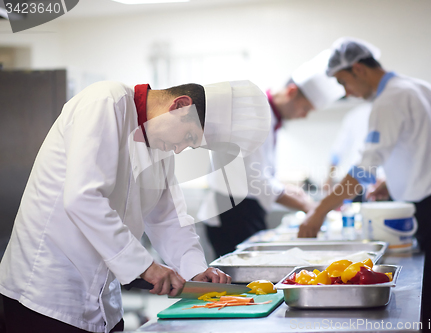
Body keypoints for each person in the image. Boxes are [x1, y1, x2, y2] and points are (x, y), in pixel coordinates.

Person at [0, 79, 271, 333]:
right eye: (189, 137)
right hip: (44, 295)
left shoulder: (161, 149)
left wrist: (195, 270)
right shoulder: (106, 103)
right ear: (179, 106)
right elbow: (83, 198)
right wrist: (147, 266)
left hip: (103, 302)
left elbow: (169, 219)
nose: (179, 150)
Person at [298, 37, 431, 331]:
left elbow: (363, 170)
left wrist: (318, 212)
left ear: (358, 69)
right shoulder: (422, 88)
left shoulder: (389, 100)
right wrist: (390, 179)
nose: (349, 93)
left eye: (344, 83)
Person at [199, 50, 345, 257]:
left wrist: (294, 193)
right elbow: (254, 180)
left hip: (244, 210)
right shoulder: (254, 113)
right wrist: (306, 205)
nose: (303, 116)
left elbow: (258, 174)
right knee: (241, 287)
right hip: (231, 213)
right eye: (305, 108)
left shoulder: (268, 116)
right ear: (292, 92)